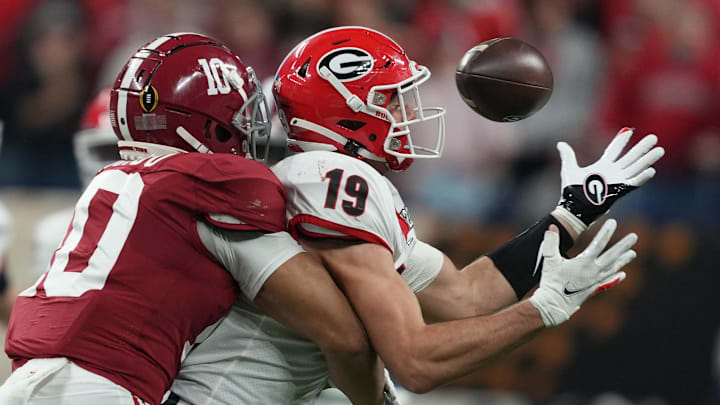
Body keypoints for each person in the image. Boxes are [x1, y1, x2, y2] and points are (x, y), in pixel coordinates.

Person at [168, 26, 664, 404]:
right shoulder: (333, 178)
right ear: (345, 106)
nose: (406, 115)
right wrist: (543, 309)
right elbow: (415, 362)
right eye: (391, 99)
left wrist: (573, 213)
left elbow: (468, 296)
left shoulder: (322, 177)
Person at [0, 33, 389, 405]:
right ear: (208, 124)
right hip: (101, 387)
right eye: (240, 118)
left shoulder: (115, 182)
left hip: (25, 379)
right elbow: (340, 332)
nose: (249, 133)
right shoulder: (213, 183)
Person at [32, 87, 119, 279]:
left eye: (123, 152)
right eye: (108, 151)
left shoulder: (176, 230)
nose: (117, 163)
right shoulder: (56, 234)